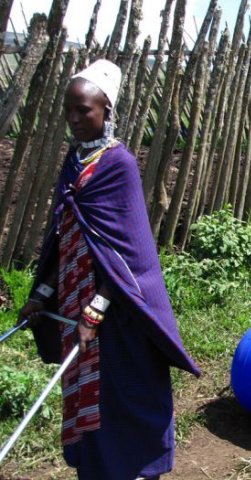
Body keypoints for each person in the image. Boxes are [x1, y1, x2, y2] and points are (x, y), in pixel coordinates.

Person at [17, 59, 200, 479]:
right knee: (85, 394)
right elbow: (63, 235)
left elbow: (127, 253)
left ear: (107, 111)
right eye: (69, 109)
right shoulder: (74, 161)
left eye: (84, 110)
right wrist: (42, 295)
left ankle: (137, 469)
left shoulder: (119, 165)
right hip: (73, 301)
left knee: (122, 392)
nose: (74, 118)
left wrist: (95, 312)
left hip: (118, 310)